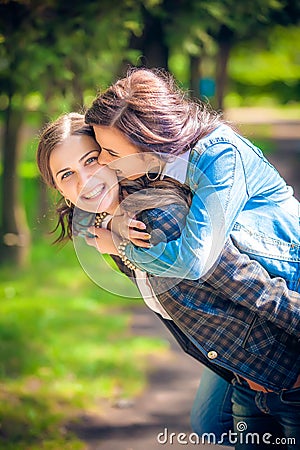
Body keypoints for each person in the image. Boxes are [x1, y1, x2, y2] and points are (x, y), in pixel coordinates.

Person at [37, 113, 300, 450]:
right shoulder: (111, 224)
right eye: (67, 175)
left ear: (111, 156)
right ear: (57, 188)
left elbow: (247, 282)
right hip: (244, 373)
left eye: (91, 160)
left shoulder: (160, 217)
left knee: (213, 423)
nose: (84, 180)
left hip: (284, 373)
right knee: (210, 423)